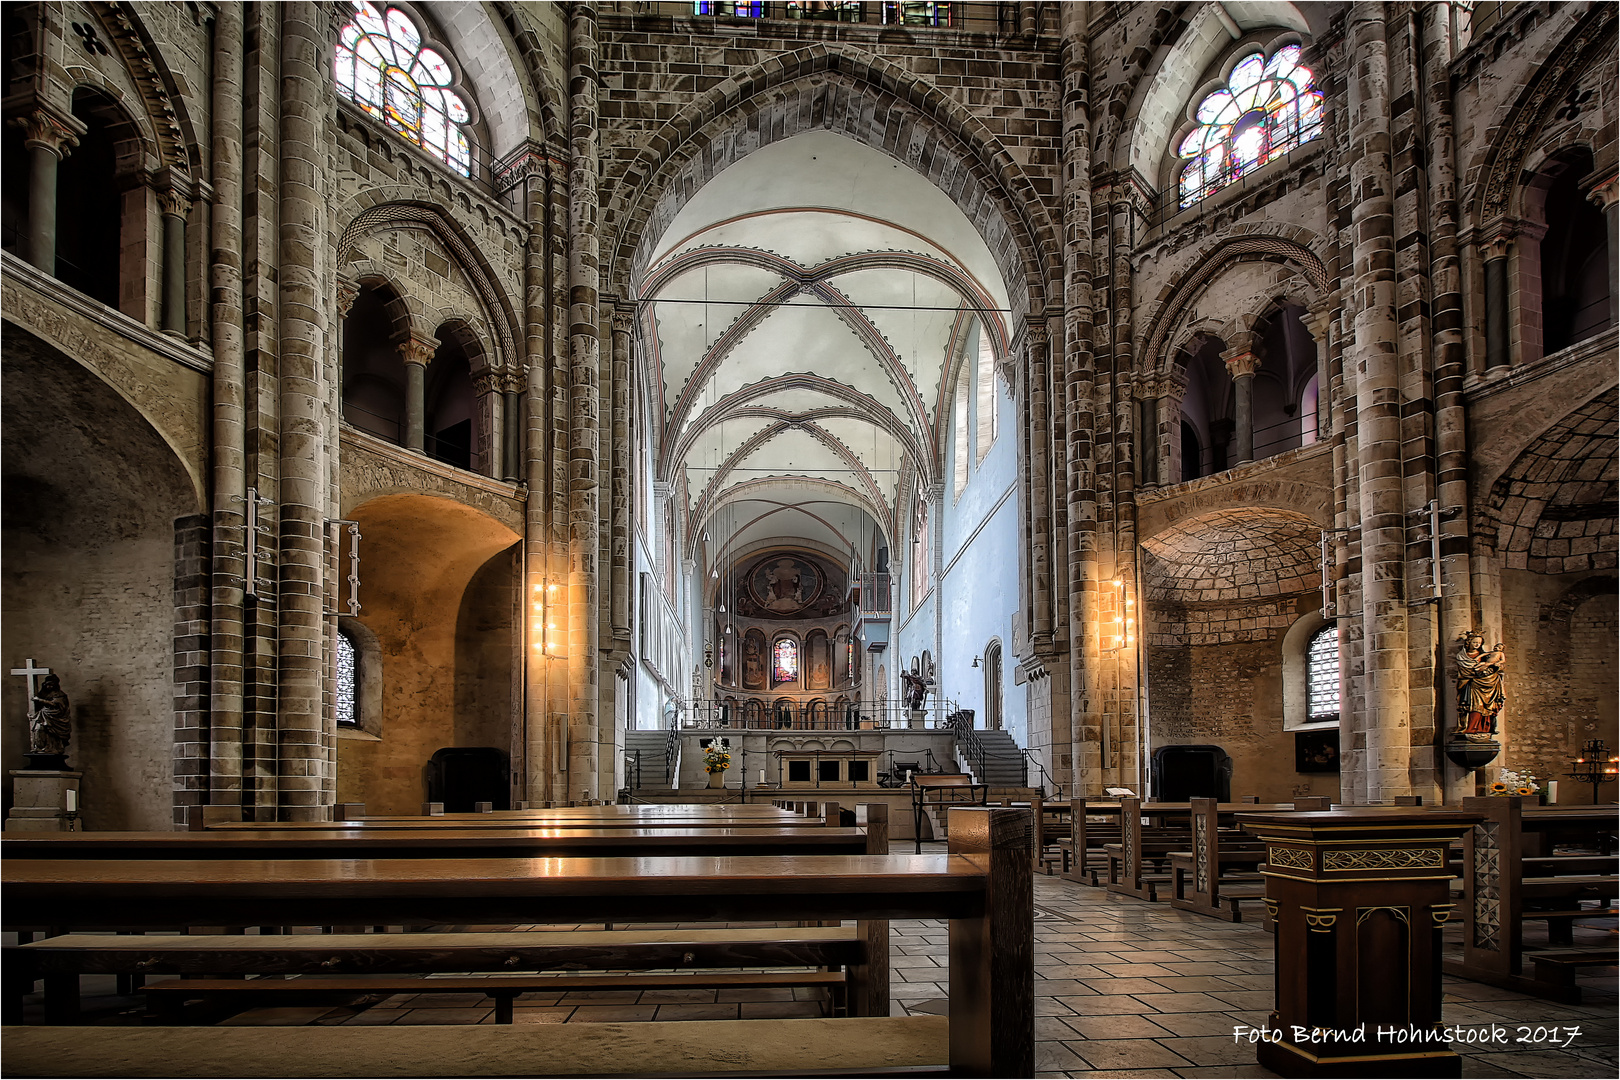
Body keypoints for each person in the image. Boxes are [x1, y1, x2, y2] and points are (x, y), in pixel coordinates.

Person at [1453, 631, 1505, 742]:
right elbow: (1464, 672)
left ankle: (1484, 729)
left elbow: (1498, 668)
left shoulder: (1487, 656)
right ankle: (1469, 728)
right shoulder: (1462, 657)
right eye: (1475, 642)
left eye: (1479, 643)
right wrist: (1476, 673)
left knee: (1485, 708)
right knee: (1471, 707)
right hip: (1471, 686)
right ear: (1468, 643)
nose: (1477, 645)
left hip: (1486, 686)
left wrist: (1493, 669)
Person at [29, 674, 71, 757]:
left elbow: (56, 704)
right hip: (44, 715)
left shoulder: (59, 694)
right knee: (39, 729)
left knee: (52, 733)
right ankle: (40, 747)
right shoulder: (43, 694)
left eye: (51, 685)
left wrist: (40, 700)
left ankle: (54, 748)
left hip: (56, 718)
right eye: (47, 685)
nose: (49, 687)